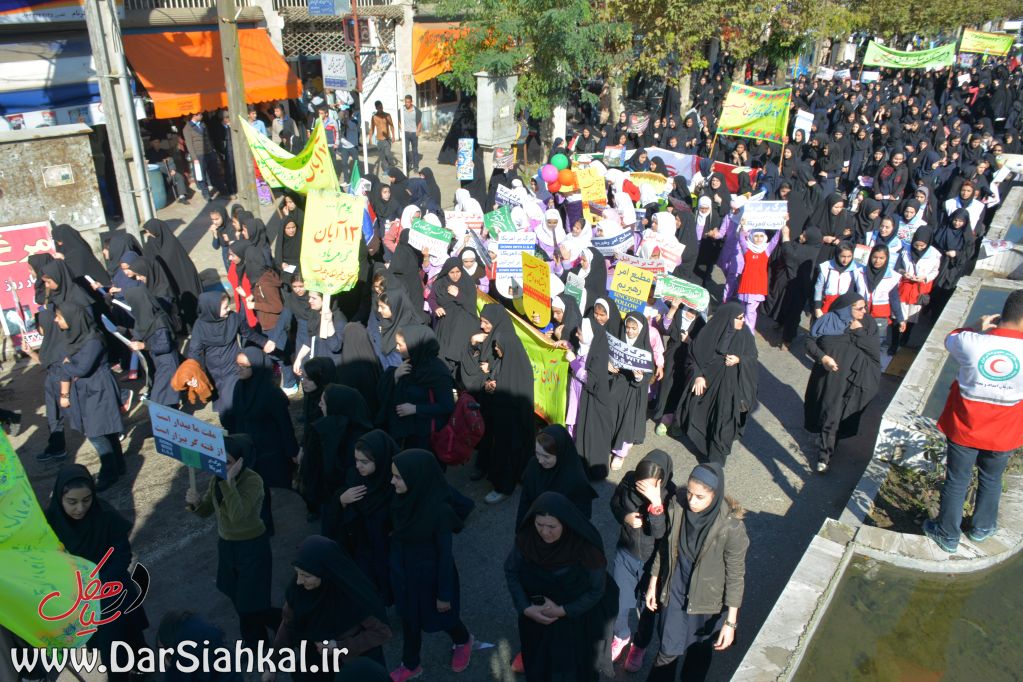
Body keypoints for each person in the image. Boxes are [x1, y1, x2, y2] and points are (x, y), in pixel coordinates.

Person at [923, 290, 1023, 553]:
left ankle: (947, 535)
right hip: (1004, 431)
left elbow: (950, 338)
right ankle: (982, 528)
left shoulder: (971, 341)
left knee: (957, 480)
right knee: (992, 478)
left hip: (965, 427)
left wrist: (977, 326)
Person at [644, 463, 748, 682]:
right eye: (689, 493)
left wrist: (731, 623)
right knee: (667, 651)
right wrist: (654, 582)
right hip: (675, 589)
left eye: (700, 497)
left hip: (706, 602)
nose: (691, 501)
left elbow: (735, 575)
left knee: (697, 656)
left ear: (715, 495)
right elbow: (665, 546)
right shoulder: (678, 506)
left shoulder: (731, 528)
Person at [46, 464, 149, 678]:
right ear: (59, 498)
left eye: (87, 500)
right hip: (79, 600)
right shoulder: (49, 526)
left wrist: (96, 584)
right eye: (72, 502)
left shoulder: (105, 515)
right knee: (110, 645)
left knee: (122, 645)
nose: (80, 508)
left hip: (111, 593)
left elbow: (122, 555)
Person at [504, 491, 618, 681]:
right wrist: (525, 608)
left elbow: (596, 590)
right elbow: (511, 571)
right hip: (537, 618)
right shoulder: (527, 539)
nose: (544, 532)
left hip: (577, 623)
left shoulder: (585, 548)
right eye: (539, 524)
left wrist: (563, 610)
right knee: (540, 666)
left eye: (552, 526)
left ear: (565, 523)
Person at [185, 435, 280, 650]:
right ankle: (259, 637)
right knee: (238, 598)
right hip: (228, 547)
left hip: (252, 548)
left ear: (240, 462)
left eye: (226, 461)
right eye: (217, 460)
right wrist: (196, 503)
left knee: (251, 603)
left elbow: (238, 515)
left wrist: (228, 483)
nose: (220, 466)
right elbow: (206, 510)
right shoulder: (216, 479)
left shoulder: (253, 481)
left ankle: (274, 630)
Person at [389, 449, 474, 681]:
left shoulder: (439, 512)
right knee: (410, 621)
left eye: (397, 477)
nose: (392, 481)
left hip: (431, 578)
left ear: (416, 478)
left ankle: (463, 640)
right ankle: (411, 664)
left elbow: (445, 556)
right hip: (406, 574)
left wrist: (444, 595)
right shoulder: (402, 499)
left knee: (444, 618)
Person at [266, 536, 392, 681]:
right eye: (297, 573)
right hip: (316, 666)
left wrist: (339, 646)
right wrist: (272, 666)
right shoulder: (298, 592)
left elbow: (382, 632)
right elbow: (288, 627)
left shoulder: (352, 595)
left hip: (350, 668)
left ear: (325, 572)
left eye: (306, 576)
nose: (299, 581)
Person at [609, 451, 674, 671]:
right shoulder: (628, 481)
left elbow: (660, 533)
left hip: (652, 563)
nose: (643, 490)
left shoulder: (670, 496)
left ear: (661, 481)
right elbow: (615, 504)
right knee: (619, 602)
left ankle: (640, 645)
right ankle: (621, 636)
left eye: (650, 486)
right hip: (626, 554)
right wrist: (625, 517)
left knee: (647, 609)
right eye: (640, 485)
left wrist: (656, 504)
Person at [803, 292, 881, 473]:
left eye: (865, 307)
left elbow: (874, 351)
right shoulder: (827, 321)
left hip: (854, 379)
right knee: (830, 412)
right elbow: (810, 342)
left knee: (838, 415)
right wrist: (823, 358)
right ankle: (825, 451)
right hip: (830, 378)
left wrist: (858, 331)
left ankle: (826, 452)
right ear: (846, 308)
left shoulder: (868, 324)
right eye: (859, 308)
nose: (864, 311)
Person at [224, 347, 299, 533]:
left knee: (268, 489)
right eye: (237, 365)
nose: (239, 369)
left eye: (244, 366)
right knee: (252, 490)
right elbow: (236, 417)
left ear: (256, 366)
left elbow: (284, 424)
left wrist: (292, 451)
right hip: (248, 450)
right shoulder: (239, 387)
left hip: (269, 450)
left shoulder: (271, 392)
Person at [674, 302, 759, 465]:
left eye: (743, 317)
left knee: (725, 419)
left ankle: (717, 458)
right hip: (709, 387)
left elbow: (752, 356)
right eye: (739, 318)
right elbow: (694, 357)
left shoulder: (745, 335)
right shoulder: (710, 333)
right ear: (728, 319)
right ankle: (704, 445)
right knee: (704, 418)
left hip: (731, 389)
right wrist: (698, 376)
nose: (743, 321)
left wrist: (739, 360)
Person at [55, 302, 126, 490]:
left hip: (99, 388)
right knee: (105, 430)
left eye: (59, 316)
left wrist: (66, 365)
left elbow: (82, 369)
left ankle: (109, 472)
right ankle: (118, 466)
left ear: (72, 318)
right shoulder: (73, 338)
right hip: (88, 390)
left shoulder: (94, 339)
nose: (56, 320)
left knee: (96, 433)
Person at [472, 303, 535, 503]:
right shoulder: (508, 359)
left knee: (507, 452)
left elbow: (513, 392)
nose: (496, 349)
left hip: (511, 422)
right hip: (503, 418)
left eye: (498, 347)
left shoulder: (517, 365)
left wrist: (495, 387)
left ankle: (503, 487)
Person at [301, 384, 372, 536]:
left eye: (323, 402)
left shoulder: (323, 432)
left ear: (336, 406)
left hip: (340, 501)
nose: (319, 405)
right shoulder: (367, 436)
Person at [338, 429, 399, 603]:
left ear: (380, 459)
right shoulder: (354, 475)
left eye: (364, 462)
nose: (358, 466)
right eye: (356, 460)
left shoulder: (396, 482)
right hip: (363, 545)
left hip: (389, 548)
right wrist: (342, 500)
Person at [375, 325, 454, 449]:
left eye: (400, 344)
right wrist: (395, 375)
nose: (397, 348)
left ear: (414, 345)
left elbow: (447, 406)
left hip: (427, 439)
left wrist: (415, 409)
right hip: (408, 434)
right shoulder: (412, 362)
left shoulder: (438, 373)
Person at [517, 424, 597, 527]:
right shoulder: (534, 465)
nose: (540, 460)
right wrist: (520, 528)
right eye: (537, 453)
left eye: (546, 456)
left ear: (560, 453)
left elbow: (581, 519)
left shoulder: (577, 481)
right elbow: (525, 501)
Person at [123, 286, 181, 407]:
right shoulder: (145, 316)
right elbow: (140, 331)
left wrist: (144, 345)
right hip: (159, 363)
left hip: (167, 363)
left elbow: (165, 345)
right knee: (163, 399)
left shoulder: (159, 320)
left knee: (162, 400)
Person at [141, 218, 204, 327]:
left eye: (150, 232)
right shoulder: (150, 245)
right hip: (168, 282)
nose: (148, 235)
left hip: (181, 281)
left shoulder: (172, 244)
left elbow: (183, 266)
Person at [183, 112, 222, 200]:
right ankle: (206, 194)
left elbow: (208, 138)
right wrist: (194, 158)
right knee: (201, 175)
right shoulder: (187, 128)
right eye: (200, 114)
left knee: (215, 172)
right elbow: (189, 145)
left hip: (209, 152)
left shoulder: (203, 124)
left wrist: (213, 150)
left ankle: (221, 190)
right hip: (199, 154)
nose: (202, 116)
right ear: (194, 115)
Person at [370, 100, 398, 174]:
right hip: (379, 139)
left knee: (388, 154)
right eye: (379, 107)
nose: (381, 108)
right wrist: (370, 138)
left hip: (387, 139)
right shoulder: (374, 117)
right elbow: (372, 128)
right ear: (376, 108)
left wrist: (393, 136)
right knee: (382, 156)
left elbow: (391, 126)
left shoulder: (387, 115)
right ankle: (386, 170)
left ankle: (391, 167)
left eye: (381, 107)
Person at [401, 94, 422, 171]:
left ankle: (416, 166)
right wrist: (402, 129)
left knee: (415, 151)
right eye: (406, 102)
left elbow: (419, 122)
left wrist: (418, 131)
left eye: (408, 102)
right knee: (406, 151)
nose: (407, 104)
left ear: (411, 102)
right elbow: (399, 120)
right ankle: (408, 164)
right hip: (406, 133)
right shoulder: (402, 110)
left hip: (414, 133)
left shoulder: (416, 111)